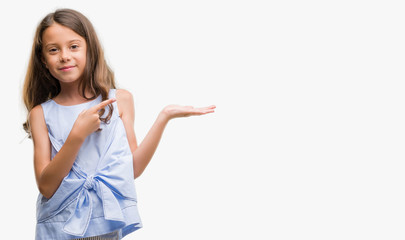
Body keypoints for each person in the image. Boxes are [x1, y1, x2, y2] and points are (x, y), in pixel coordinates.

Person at [22, 8, 216, 240]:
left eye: (74, 46)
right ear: (43, 59)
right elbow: (47, 187)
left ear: (90, 49)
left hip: (106, 223)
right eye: (54, 50)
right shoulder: (41, 113)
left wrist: (164, 117)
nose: (64, 56)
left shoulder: (119, 100)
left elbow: (131, 170)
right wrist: (77, 135)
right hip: (58, 227)